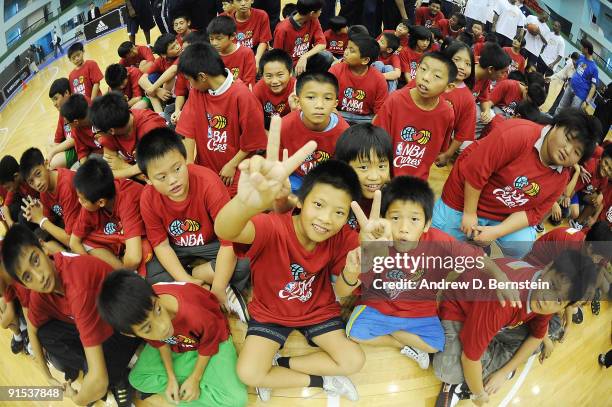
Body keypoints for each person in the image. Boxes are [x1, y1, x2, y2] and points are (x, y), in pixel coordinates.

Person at [214, 123, 365, 401]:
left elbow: (346, 291)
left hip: (317, 310)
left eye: (339, 212)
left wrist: (365, 260)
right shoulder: (273, 227)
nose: (325, 219)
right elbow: (226, 231)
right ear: (301, 201)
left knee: (353, 361)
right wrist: (247, 204)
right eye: (318, 205)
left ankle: (280, 366)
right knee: (248, 373)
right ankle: (320, 380)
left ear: (347, 218)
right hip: (270, 312)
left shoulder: (343, 236)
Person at [433, 250, 600, 407]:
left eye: (558, 301)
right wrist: (478, 394)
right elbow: (469, 359)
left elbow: (537, 337)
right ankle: (471, 375)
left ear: (564, 306)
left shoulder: (541, 289)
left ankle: (486, 358)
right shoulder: (504, 299)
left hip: (492, 319)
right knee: (446, 369)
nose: (547, 299)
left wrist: (504, 372)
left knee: (544, 337)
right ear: (547, 267)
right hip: (458, 309)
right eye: (551, 285)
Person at [1, 224, 141, 407]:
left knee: (99, 380)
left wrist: (78, 398)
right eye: (28, 277)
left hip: (125, 327)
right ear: (24, 286)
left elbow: (99, 382)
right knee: (46, 333)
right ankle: (98, 370)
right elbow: (33, 331)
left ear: (44, 248)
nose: (39, 277)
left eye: (35, 260)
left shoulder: (76, 285)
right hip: (97, 322)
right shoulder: (40, 294)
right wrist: (48, 378)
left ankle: (116, 375)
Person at [432, 108, 600, 258]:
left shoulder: (562, 177)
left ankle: (483, 241)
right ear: (556, 126)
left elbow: (534, 213)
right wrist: (469, 214)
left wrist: (496, 232)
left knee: (522, 244)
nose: (568, 150)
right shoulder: (517, 134)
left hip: (501, 213)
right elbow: (476, 171)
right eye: (568, 138)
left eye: (577, 152)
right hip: (463, 198)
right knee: (436, 247)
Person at [135, 127, 250, 320]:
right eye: (162, 177)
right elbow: (161, 246)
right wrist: (186, 280)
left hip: (212, 244)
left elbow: (228, 241)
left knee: (245, 261)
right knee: (151, 277)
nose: (173, 180)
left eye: (177, 169)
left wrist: (219, 289)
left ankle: (201, 277)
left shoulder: (208, 182)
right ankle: (199, 283)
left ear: (185, 158)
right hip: (177, 248)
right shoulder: (148, 198)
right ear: (147, 179)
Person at [98, 271, 248, 406]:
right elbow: (161, 343)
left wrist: (195, 378)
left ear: (155, 297)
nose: (163, 326)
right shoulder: (145, 314)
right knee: (136, 380)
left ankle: (191, 387)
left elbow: (211, 339)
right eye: (148, 328)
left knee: (237, 399)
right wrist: (171, 378)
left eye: (158, 309)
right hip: (178, 344)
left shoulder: (193, 313)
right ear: (130, 334)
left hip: (212, 340)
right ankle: (190, 387)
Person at [176, 42, 267, 196]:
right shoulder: (197, 92)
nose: (190, 85)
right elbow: (189, 130)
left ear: (202, 77)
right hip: (206, 166)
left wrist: (232, 165)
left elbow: (252, 142)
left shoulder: (242, 96)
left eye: (190, 80)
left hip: (235, 168)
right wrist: (190, 163)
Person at [374, 51, 456, 181]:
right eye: (423, 69)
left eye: (437, 76)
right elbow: (376, 141)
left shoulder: (446, 113)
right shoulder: (395, 100)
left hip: (417, 183)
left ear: (449, 87)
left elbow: (441, 149)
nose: (426, 77)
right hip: (386, 178)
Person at [69, 158, 148, 272]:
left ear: (101, 202)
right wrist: (91, 266)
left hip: (143, 232)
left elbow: (134, 258)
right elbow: (74, 242)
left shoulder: (126, 198)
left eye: (83, 200)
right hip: (119, 235)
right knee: (86, 241)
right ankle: (121, 272)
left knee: (144, 251)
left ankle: (125, 275)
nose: (79, 202)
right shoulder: (92, 199)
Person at [280, 71, 349, 192]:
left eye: (327, 98)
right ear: (297, 101)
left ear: (335, 103)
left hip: (327, 183)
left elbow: (342, 172)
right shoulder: (284, 125)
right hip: (294, 177)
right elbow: (278, 164)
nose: (319, 105)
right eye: (311, 97)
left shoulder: (345, 133)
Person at [89, 92, 167, 179]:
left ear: (111, 130)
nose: (97, 136)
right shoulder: (109, 128)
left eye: (97, 130)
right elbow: (111, 173)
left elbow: (159, 176)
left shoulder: (152, 130)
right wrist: (137, 169)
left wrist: (123, 166)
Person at [19, 148, 81, 249]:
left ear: (46, 164)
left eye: (38, 174)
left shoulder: (66, 186)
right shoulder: (44, 191)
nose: (37, 183)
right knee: (35, 241)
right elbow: (50, 221)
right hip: (69, 224)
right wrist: (37, 213)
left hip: (86, 230)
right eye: (31, 182)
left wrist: (41, 219)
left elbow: (72, 241)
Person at [335, 123, 393, 217]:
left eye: (381, 166)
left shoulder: (395, 202)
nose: (374, 177)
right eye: (363, 167)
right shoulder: (335, 200)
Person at [329, 34, 388, 124]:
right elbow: (327, 99)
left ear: (365, 60)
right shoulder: (335, 70)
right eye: (347, 48)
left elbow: (379, 113)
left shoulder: (379, 79)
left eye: (352, 51)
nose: (346, 52)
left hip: (366, 119)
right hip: (339, 115)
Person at [436, 40, 476, 166]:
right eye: (457, 59)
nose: (462, 66)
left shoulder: (468, 99)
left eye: (468, 64)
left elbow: (462, 132)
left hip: (437, 147)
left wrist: (447, 154)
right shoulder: (432, 79)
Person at [273, 0, 326, 74]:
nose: (321, 12)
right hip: (289, 65)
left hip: (306, 58)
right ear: (312, 13)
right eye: (320, 10)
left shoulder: (314, 20)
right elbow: (277, 56)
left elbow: (322, 44)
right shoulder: (282, 29)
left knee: (327, 57)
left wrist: (304, 57)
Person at [208, 16, 257, 87]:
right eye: (211, 39)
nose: (214, 43)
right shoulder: (210, 54)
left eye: (219, 38)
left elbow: (249, 82)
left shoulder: (246, 53)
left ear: (232, 36)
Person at [138, 33, 182, 112]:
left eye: (177, 43)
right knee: (150, 79)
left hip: (183, 91)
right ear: (164, 55)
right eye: (173, 47)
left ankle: (164, 107)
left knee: (168, 78)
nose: (178, 47)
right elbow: (141, 80)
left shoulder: (183, 54)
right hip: (167, 93)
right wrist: (157, 90)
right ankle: (160, 115)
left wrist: (153, 88)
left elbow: (173, 70)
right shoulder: (160, 61)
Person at [253, 49, 296, 128]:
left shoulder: (297, 89)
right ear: (262, 76)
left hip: (290, 126)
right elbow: (255, 122)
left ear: (290, 73)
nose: (274, 81)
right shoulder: (258, 90)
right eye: (269, 76)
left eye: (280, 75)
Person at [555, 39, 599, 114]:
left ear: (586, 49)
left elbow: (593, 87)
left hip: (580, 95)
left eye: (582, 47)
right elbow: (577, 70)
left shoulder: (594, 68)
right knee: (560, 108)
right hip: (570, 87)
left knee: (571, 115)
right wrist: (570, 80)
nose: (581, 48)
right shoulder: (581, 57)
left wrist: (587, 101)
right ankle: (553, 124)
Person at [59, 94, 103, 164]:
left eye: (67, 123)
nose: (68, 126)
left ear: (75, 122)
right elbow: (82, 152)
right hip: (96, 154)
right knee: (75, 168)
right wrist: (84, 169)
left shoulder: (102, 114)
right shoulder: (76, 129)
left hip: (114, 151)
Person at [228, 0, 272, 68]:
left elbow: (264, 41)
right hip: (235, 56)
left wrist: (257, 60)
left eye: (246, 0)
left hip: (256, 52)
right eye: (238, 0)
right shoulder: (226, 19)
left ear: (252, 0)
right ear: (232, 3)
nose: (243, 3)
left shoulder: (262, 15)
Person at [47, 78, 78, 170]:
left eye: (56, 99)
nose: (54, 104)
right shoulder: (62, 112)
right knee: (49, 143)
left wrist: (53, 152)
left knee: (53, 162)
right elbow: (57, 139)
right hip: (69, 146)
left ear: (66, 93)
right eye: (52, 100)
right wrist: (52, 152)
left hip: (78, 147)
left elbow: (74, 139)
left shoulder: (76, 107)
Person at [0, 156, 38, 229]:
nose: (8, 191)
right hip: (31, 202)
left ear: (16, 176)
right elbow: (5, 208)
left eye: (8, 188)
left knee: (22, 217)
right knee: (12, 210)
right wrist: (11, 224)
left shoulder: (31, 179)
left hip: (42, 206)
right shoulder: (16, 183)